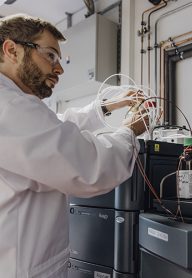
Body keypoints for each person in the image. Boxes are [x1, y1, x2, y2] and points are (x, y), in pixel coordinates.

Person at [0, 14, 148, 278]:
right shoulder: (9, 108)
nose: (60, 69)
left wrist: (104, 106)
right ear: (12, 50)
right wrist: (130, 130)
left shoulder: (14, 106)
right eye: (50, 56)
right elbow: (88, 167)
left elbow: (54, 128)